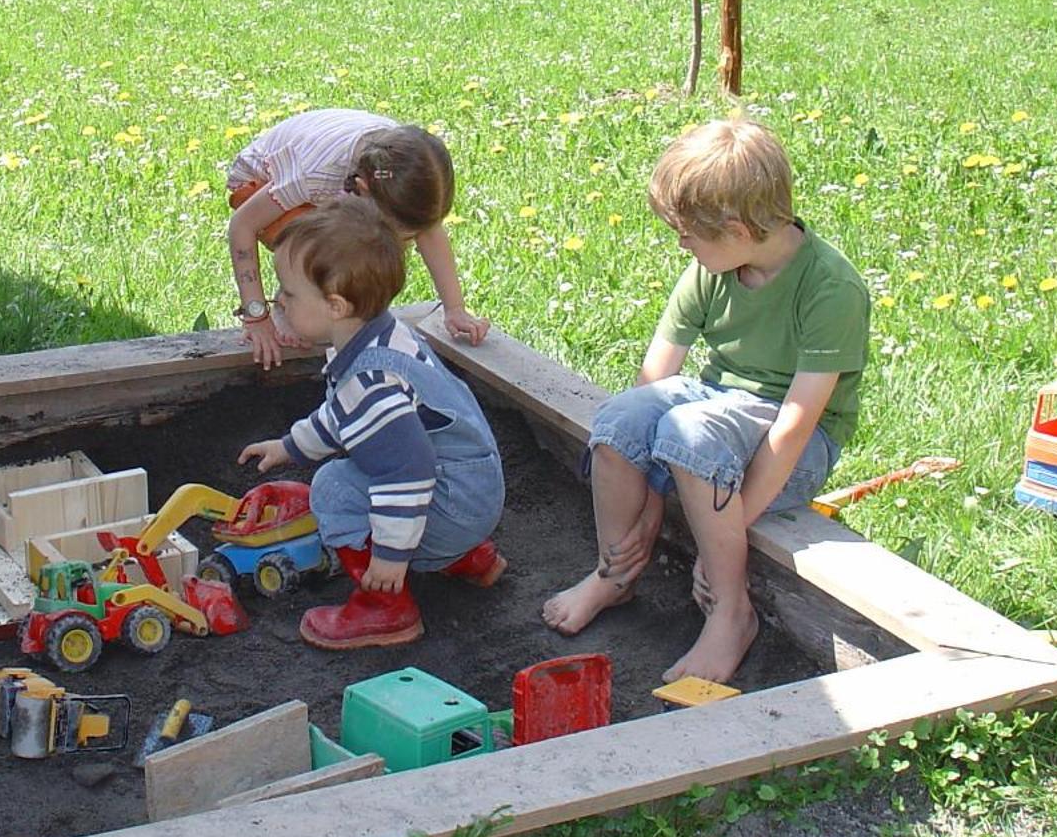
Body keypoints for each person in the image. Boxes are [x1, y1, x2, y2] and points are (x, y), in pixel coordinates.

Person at [541, 118, 869, 685]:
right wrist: (647, 507)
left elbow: (794, 426)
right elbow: (654, 377)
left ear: (739, 230)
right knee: (620, 420)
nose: (682, 243)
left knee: (689, 436)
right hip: (717, 410)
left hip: (793, 452)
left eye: (689, 233)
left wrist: (729, 527)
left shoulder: (830, 288)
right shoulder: (711, 270)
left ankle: (730, 609)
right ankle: (615, 571)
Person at [237, 197, 506, 651]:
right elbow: (344, 416)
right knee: (366, 466)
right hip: (473, 486)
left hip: (449, 502)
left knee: (334, 488)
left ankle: (386, 605)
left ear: (336, 305)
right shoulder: (383, 334)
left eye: (289, 291)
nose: (278, 298)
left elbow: (408, 472)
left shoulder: (369, 381)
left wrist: (388, 555)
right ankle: (464, 558)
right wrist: (290, 446)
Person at [226, 109, 489, 368]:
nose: (405, 243)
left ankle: (321, 305)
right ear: (364, 191)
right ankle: (291, 301)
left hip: (330, 184)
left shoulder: (395, 172)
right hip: (259, 180)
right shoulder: (312, 176)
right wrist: (256, 316)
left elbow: (430, 233)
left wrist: (455, 309)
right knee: (345, 244)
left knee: (362, 244)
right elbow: (243, 227)